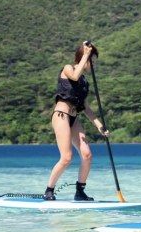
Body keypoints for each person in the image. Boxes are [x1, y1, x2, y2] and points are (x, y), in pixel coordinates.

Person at [45, 41, 109, 201]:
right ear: (83, 57)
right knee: (66, 157)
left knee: (87, 154)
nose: (93, 64)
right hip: (61, 115)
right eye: (91, 60)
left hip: (74, 118)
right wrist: (86, 53)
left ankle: (80, 191)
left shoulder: (84, 83)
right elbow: (74, 76)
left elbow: (86, 107)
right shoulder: (68, 68)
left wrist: (100, 126)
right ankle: (49, 190)